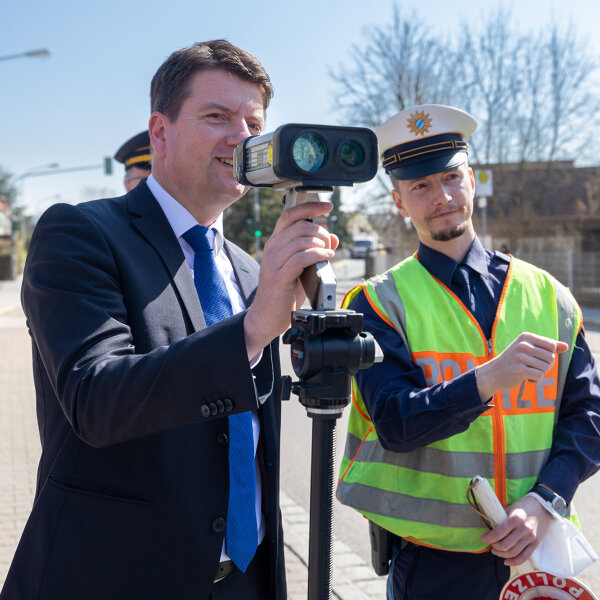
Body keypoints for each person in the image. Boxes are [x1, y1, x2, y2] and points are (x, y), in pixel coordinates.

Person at [1, 40, 337, 600]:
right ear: (160, 131)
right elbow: (95, 398)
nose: (241, 136)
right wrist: (252, 331)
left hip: (246, 580)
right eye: (216, 116)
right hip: (116, 578)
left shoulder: (253, 271)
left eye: (254, 122)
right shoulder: (80, 234)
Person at [336, 104, 600, 599]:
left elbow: (589, 416)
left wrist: (545, 501)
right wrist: (485, 381)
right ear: (398, 201)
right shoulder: (376, 302)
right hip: (435, 566)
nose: (442, 197)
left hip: (537, 549)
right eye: (421, 187)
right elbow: (395, 421)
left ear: (472, 181)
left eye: (451, 178)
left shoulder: (550, 295)